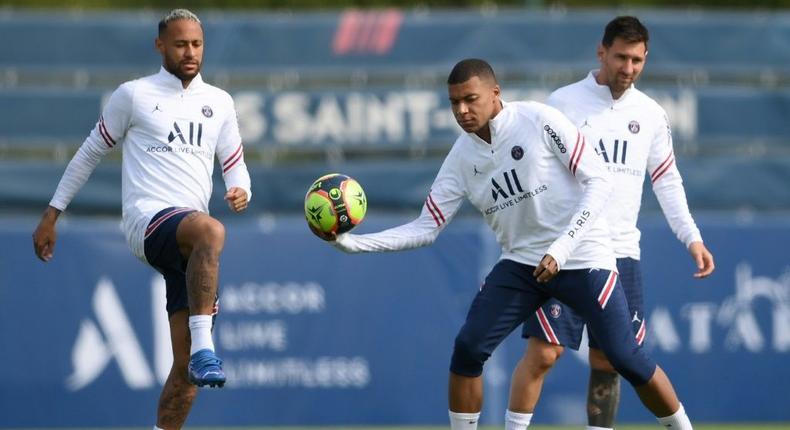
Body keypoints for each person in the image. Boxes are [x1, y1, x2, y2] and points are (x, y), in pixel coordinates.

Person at [312, 58, 695, 430]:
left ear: (495, 93)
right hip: (523, 264)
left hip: (583, 255)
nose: (462, 110)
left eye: (470, 99)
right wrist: (354, 244)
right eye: (454, 103)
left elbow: (599, 183)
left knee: (626, 358)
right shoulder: (461, 157)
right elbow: (426, 227)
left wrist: (561, 249)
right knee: (468, 348)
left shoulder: (538, 119)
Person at [32, 9, 251, 430]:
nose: (190, 52)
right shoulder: (133, 95)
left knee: (186, 374)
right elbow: (89, 153)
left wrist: (242, 189)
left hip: (189, 241)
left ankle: (186, 377)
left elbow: (236, 165)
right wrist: (51, 214)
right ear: (160, 45)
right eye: (181, 43)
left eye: (197, 44)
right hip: (146, 221)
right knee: (211, 230)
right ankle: (206, 346)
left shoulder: (219, 102)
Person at [507, 16, 715, 430]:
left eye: (637, 60)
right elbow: (533, 176)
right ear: (601, 52)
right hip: (567, 251)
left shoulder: (651, 114)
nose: (628, 68)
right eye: (621, 57)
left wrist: (691, 236)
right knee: (545, 352)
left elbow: (667, 179)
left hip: (621, 252)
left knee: (612, 359)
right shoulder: (562, 104)